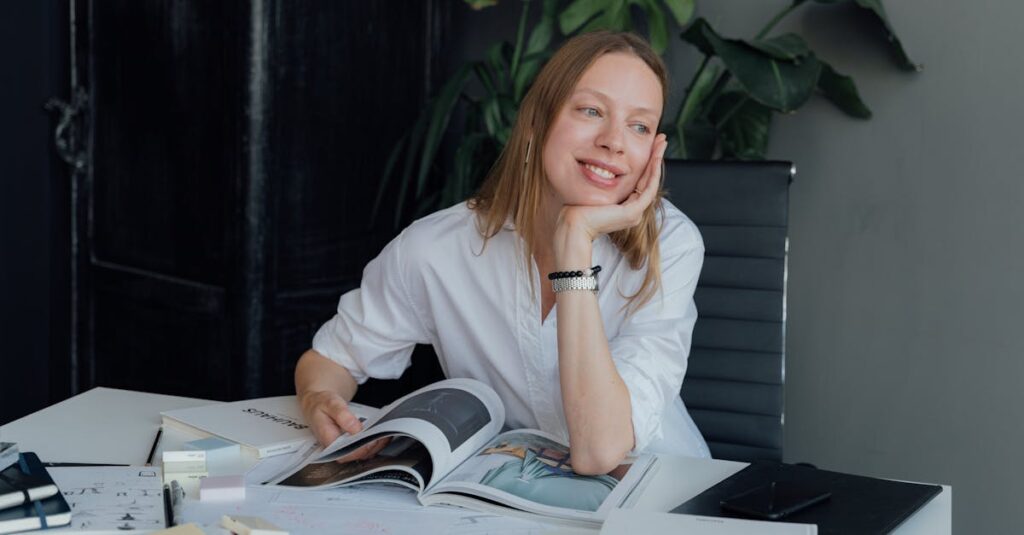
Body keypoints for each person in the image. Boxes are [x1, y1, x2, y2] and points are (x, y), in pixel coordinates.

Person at [294, 30, 710, 476]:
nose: (615, 140)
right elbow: (331, 358)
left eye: (639, 126)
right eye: (591, 110)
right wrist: (319, 396)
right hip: (506, 496)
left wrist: (574, 241)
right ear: (536, 122)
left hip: (657, 492)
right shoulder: (437, 248)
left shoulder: (671, 245)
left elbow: (599, 451)